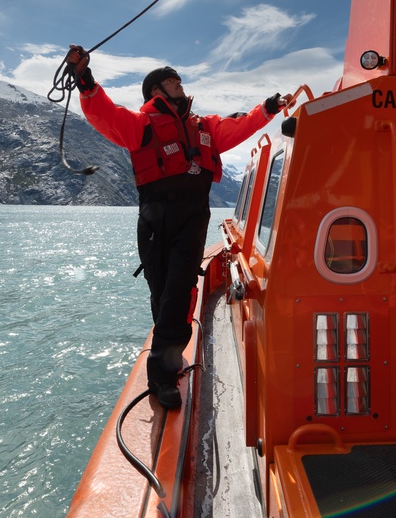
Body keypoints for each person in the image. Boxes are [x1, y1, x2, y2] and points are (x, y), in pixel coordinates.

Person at [65, 45, 291, 409]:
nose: (179, 85)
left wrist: (267, 108)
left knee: (179, 289)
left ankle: (164, 376)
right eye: (172, 82)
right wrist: (85, 79)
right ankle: (169, 352)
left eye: (179, 81)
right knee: (160, 290)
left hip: (193, 215)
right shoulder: (140, 125)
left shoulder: (205, 127)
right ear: (156, 91)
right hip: (155, 218)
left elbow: (241, 125)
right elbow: (103, 114)